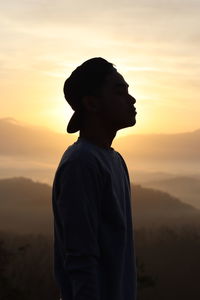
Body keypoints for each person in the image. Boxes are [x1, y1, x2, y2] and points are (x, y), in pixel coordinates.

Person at [52, 57, 138, 300]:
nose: (131, 99)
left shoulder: (115, 160)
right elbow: (81, 258)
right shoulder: (81, 163)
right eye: (120, 91)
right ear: (91, 103)